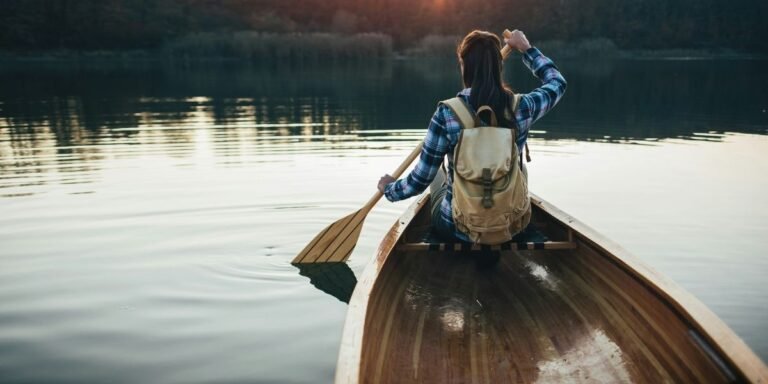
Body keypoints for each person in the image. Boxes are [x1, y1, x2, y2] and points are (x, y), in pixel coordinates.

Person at [377, 29, 567, 243]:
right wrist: (526, 49)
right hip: (511, 225)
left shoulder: (447, 113)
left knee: (439, 176)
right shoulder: (522, 107)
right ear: (500, 67)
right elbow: (557, 83)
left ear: (463, 66)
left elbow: (418, 181)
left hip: (457, 226)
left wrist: (389, 188)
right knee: (520, 168)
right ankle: (504, 225)